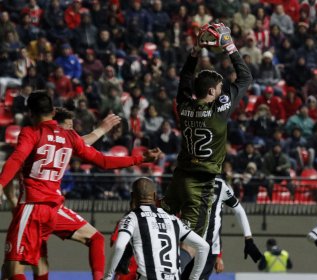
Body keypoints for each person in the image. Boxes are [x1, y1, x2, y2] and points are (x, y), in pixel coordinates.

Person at [0, 91, 162, 280]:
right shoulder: (69, 137)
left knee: (12, 271)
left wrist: (1, 183)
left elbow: (16, 158)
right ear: (52, 112)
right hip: (53, 209)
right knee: (44, 259)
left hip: (32, 207)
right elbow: (103, 161)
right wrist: (141, 158)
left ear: (30, 113)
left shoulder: (30, 132)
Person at [162, 23, 252, 237]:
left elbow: (184, 80)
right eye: (220, 88)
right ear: (212, 91)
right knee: (195, 243)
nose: (222, 91)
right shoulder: (217, 111)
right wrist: (230, 46)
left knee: (163, 226)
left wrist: (194, 53)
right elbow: (245, 78)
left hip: (179, 176)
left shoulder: (183, 107)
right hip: (201, 182)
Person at [103, 177, 209, 280]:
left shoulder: (132, 218)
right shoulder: (173, 220)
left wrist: (107, 276)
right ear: (154, 196)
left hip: (146, 276)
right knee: (189, 249)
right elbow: (204, 246)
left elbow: (119, 246)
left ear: (132, 196)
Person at [200, 178, 262, 279]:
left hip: (201, 247)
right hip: (196, 246)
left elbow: (216, 229)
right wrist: (248, 238)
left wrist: (218, 256)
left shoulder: (219, 184)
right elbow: (239, 211)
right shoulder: (219, 184)